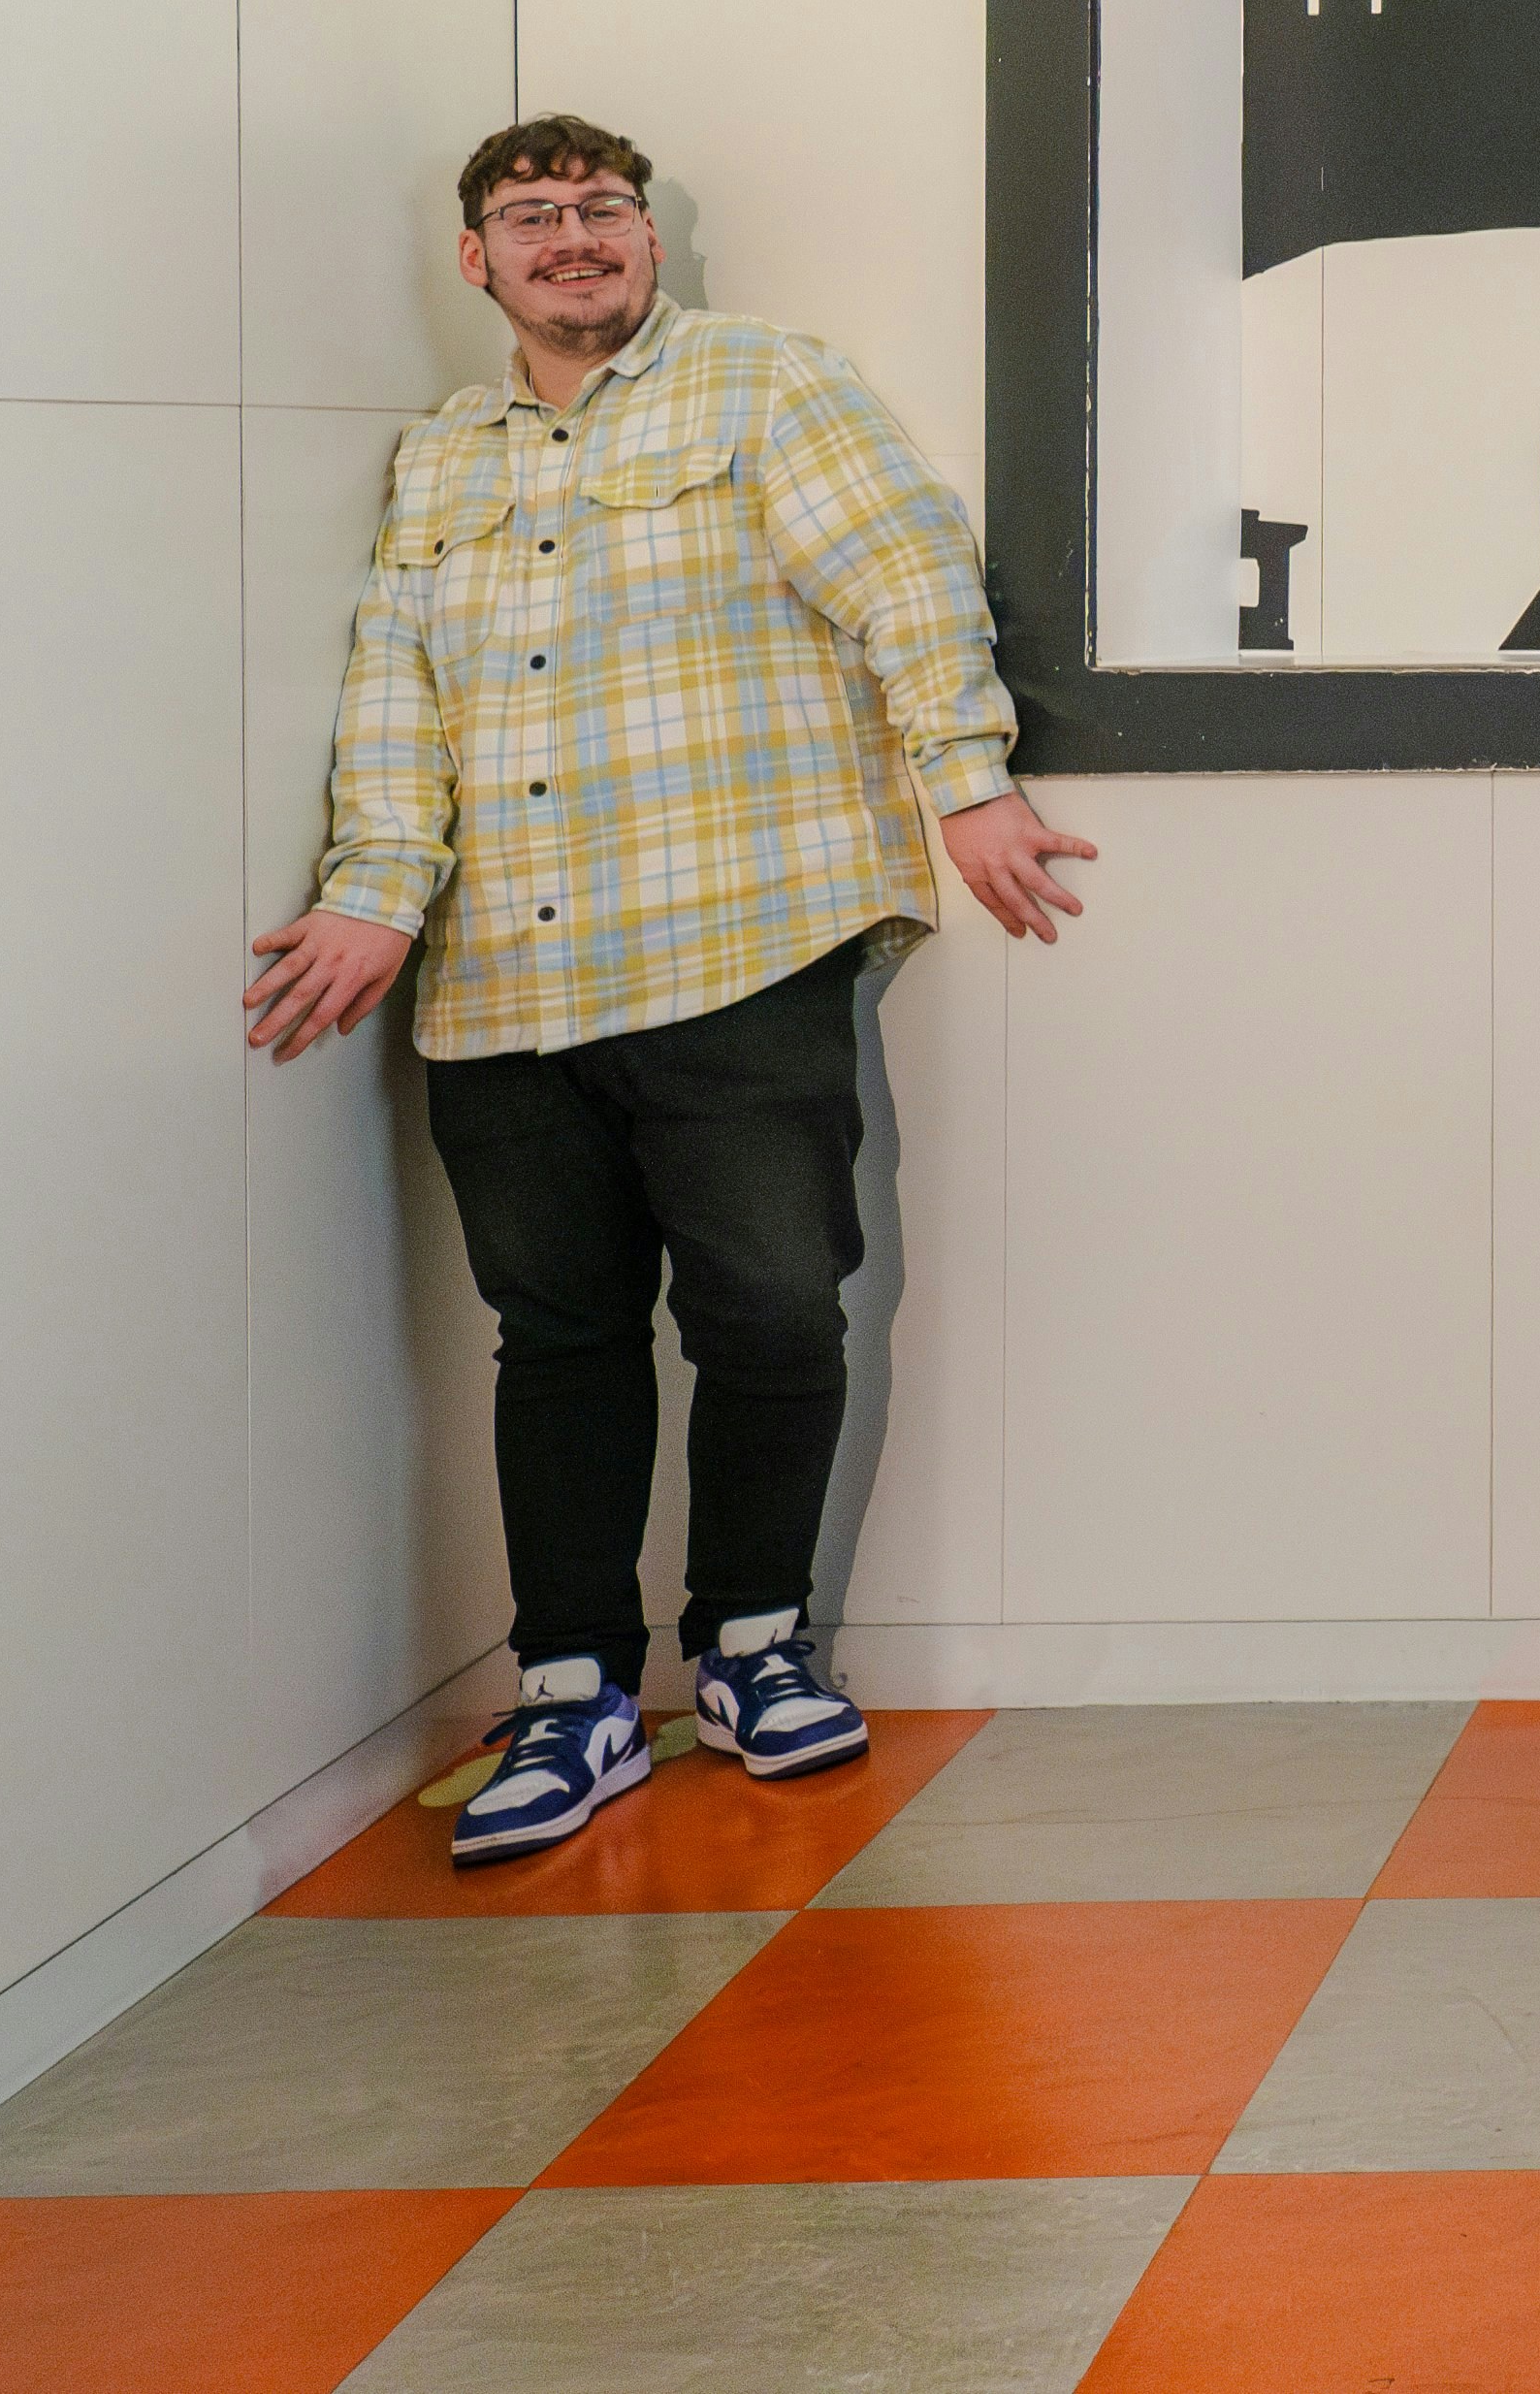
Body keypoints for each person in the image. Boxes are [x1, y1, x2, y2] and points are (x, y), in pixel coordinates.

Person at [241, 114, 1102, 1864]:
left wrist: (968, 778)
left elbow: (904, 578)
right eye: (530, 216)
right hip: (502, 980)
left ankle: (754, 1648)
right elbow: (396, 688)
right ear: (475, 260)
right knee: (553, 1336)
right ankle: (573, 1693)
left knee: (775, 1308)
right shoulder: (436, 464)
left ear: (650, 239)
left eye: (602, 209)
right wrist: (375, 895)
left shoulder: (768, 388)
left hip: (735, 940)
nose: (573, 236)